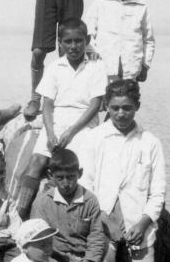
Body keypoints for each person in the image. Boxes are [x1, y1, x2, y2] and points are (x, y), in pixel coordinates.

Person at [81, 79, 166, 262]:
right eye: (115, 108)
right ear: (106, 106)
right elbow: (86, 185)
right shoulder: (95, 138)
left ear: (137, 107)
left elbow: (158, 193)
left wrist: (143, 223)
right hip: (103, 221)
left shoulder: (150, 142)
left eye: (127, 108)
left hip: (139, 227)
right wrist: (105, 220)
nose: (121, 114)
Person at [16, 19, 107, 220]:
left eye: (78, 41)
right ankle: (20, 215)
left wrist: (71, 132)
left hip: (84, 123)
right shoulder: (55, 66)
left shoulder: (96, 66)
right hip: (57, 120)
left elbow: (95, 104)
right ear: (60, 43)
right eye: (68, 41)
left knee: (81, 165)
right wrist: (50, 133)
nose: (73, 46)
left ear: (87, 40)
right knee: (37, 160)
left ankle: (78, 216)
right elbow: (47, 104)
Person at [83, 0, 156, 82]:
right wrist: (92, 57)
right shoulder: (100, 3)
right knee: (103, 101)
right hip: (103, 70)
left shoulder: (141, 6)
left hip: (132, 71)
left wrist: (145, 66)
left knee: (129, 101)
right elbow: (87, 34)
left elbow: (148, 40)